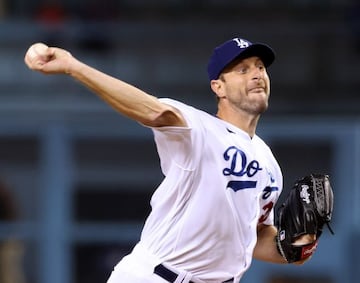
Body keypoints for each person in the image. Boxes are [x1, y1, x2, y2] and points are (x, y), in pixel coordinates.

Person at [24, 37, 313, 283]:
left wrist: (294, 248)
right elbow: (154, 111)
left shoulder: (268, 161)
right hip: (156, 276)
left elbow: (255, 235)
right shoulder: (196, 128)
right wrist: (74, 67)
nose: (256, 74)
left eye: (261, 67)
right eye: (242, 69)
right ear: (218, 87)